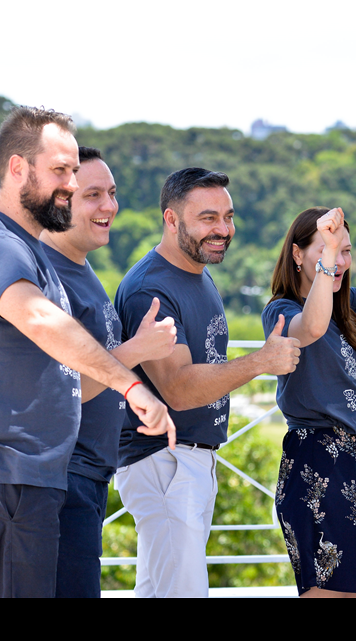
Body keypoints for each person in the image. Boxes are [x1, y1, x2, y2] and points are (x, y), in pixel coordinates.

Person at [0, 106, 175, 599]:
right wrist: (131, 384)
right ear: (17, 168)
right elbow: (40, 319)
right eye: (60, 171)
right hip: (6, 479)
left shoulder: (28, 252)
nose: (70, 183)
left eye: (73, 171)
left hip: (29, 480)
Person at [114, 167, 302, 598]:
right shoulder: (151, 289)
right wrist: (261, 361)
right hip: (165, 461)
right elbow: (178, 389)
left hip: (188, 461)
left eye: (228, 217)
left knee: (159, 592)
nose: (223, 229)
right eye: (208, 218)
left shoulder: (196, 272)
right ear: (171, 219)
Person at [262, 187, 356, 597]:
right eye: (329, 249)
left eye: (345, 251)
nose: (341, 261)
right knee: (329, 591)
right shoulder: (282, 311)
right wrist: (329, 259)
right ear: (298, 255)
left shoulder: (345, 305)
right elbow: (311, 328)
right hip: (316, 458)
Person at [40, 146, 178, 597]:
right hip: (64, 476)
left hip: (90, 474)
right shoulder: (48, 277)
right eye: (93, 195)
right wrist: (137, 349)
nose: (109, 206)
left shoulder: (81, 270)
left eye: (112, 193)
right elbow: (63, 387)